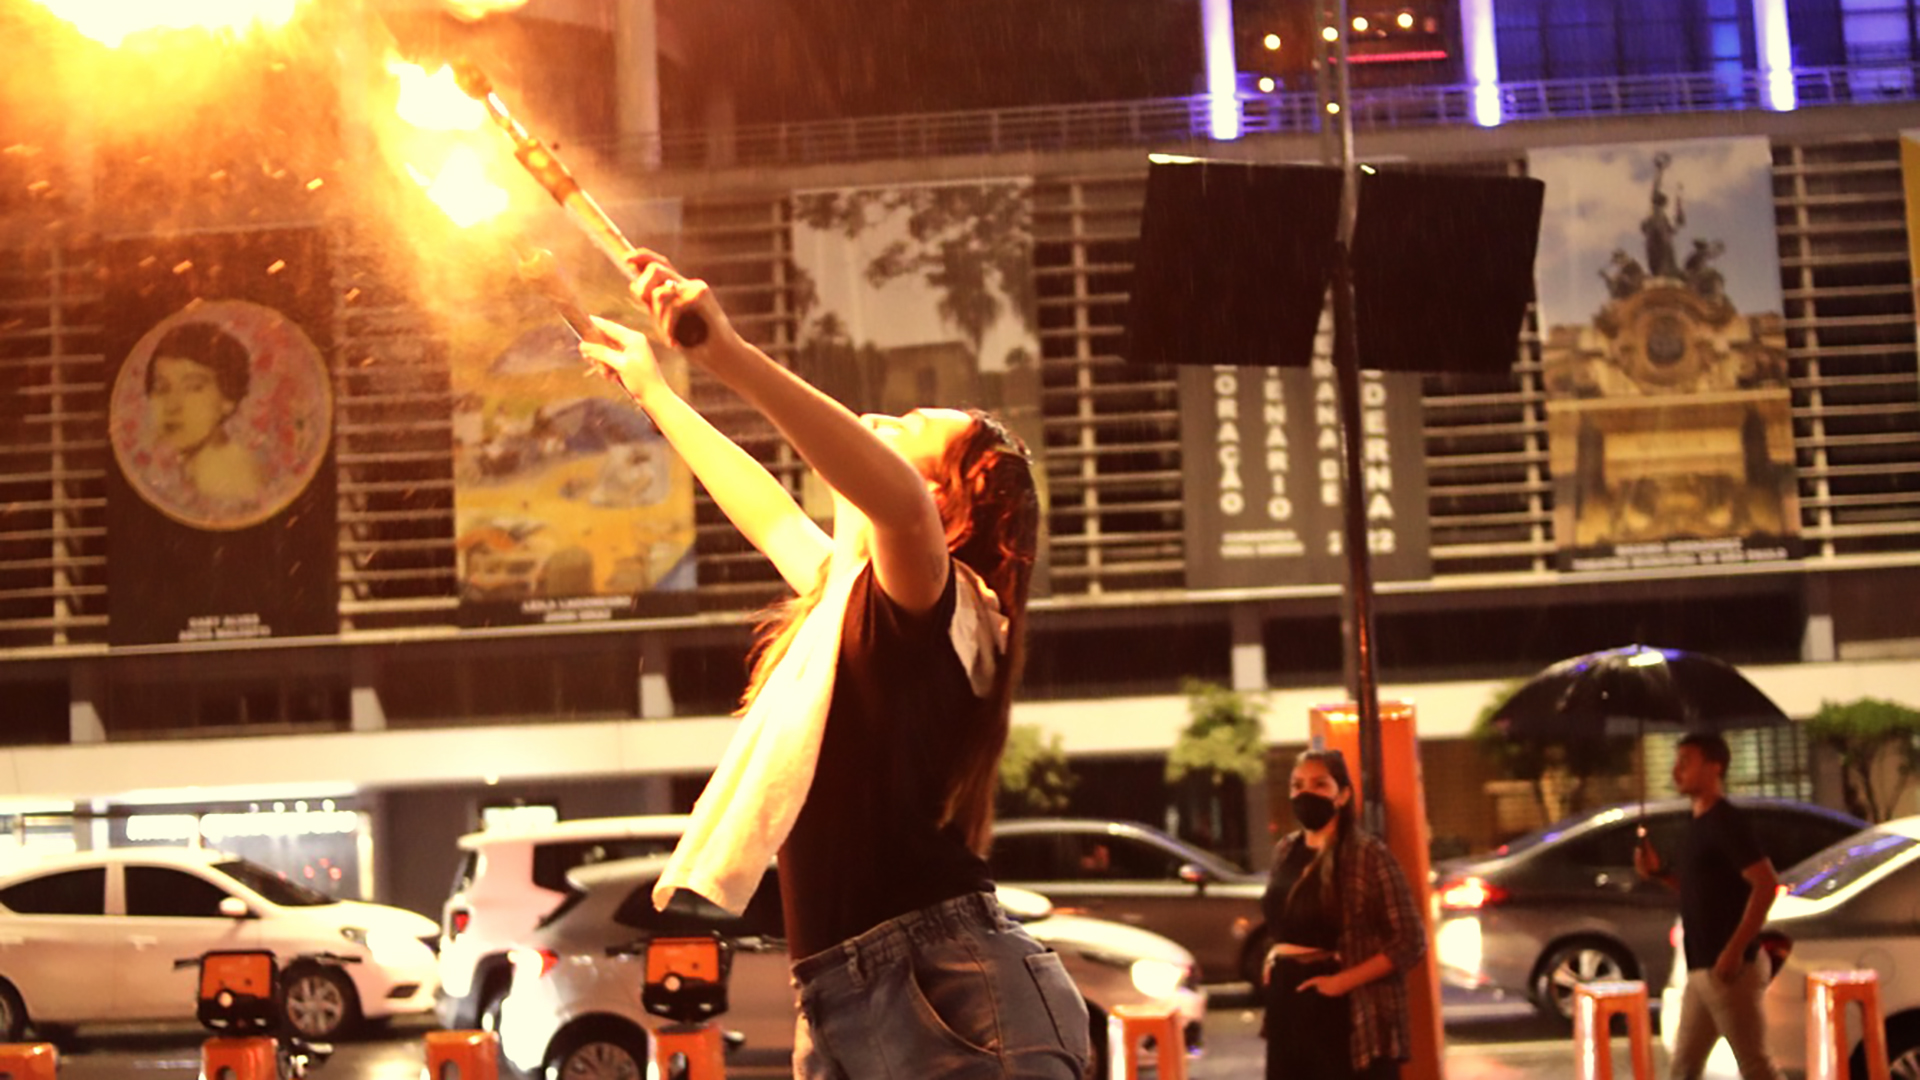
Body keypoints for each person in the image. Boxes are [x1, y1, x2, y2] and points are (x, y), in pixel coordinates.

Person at [580, 251, 1088, 1080]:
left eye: (902, 431)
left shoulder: (946, 602)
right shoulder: (854, 607)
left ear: (942, 506)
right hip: (849, 992)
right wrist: (659, 392)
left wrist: (725, 352)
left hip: (943, 992)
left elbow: (897, 503)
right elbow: (771, 514)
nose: (876, 425)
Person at [1259, 748, 1426, 1080]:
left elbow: (1410, 940)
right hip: (1287, 999)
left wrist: (1340, 983)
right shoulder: (1286, 850)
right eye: (1297, 785)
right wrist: (1275, 951)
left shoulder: (1367, 854)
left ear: (1343, 794)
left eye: (1320, 784)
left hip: (1344, 1007)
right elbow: (1286, 917)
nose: (1306, 793)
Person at [1635, 733, 1780, 1080]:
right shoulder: (1698, 824)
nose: (1676, 770)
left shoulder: (1725, 821)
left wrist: (1734, 950)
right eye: (1676, 761)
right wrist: (1658, 873)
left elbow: (1765, 884)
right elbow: (1701, 888)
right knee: (1684, 1066)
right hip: (1701, 968)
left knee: (1755, 1066)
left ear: (1715, 767)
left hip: (1729, 970)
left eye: (1686, 761)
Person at [144, 322, 264, 504]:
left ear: (228, 399)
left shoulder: (235, 479)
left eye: (193, 388)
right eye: (161, 389)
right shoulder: (186, 471)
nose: (172, 405)